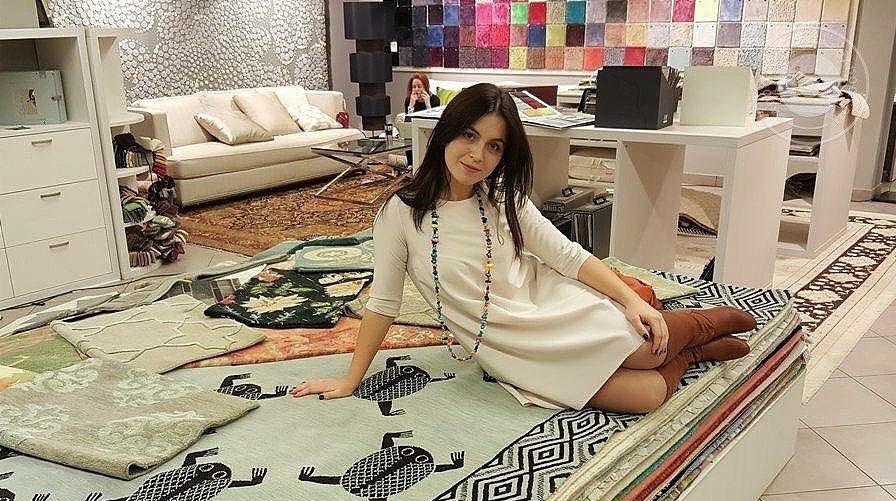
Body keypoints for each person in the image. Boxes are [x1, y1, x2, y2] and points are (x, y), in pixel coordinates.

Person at [292, 83, 756, 414]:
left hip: (549, 308)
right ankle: (692, 353)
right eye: (469, 135)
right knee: (649, 395)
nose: (478, 155)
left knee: (649, 352)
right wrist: (351, 379)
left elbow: (568, 256)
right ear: (446, 133)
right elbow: (383, 303)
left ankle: (696, 326)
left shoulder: (503, 199)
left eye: (494, 146)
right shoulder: (401, 212)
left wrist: (632, 301)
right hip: (504, 345)